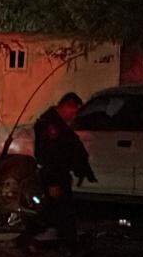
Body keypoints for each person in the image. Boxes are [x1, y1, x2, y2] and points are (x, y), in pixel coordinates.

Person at [33, 92, 96, 245]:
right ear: (66, 106)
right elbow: (49, 156)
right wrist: (53, 182)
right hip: (54, 175)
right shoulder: (51, 126)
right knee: (61, 209)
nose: (73, 116)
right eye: (73, 111)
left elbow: (72, 147)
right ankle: (62, 240)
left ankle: (61, 239)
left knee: (60, 209)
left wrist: (82, 167)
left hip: (60, 173)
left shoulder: (59, 125)